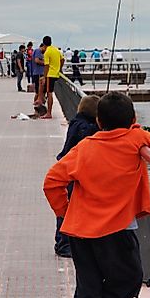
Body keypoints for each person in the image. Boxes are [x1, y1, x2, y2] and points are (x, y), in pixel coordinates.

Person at [43, 92, 150, 298]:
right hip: (118, 229)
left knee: (88, 284)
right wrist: (138, 130)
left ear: (99, 121)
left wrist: (65, 211)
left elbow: (52, 181)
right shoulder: (136, 138)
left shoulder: (84, 147)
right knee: (130, 277)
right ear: (133, 119)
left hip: (80, 230)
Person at [53, 94, 100, 257]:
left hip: (70, 171)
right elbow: (88, 134)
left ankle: (67, 242)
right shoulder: (82, 126)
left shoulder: (77, 122)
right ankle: (63, 244)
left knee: (70, 209)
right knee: (67, 209)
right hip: (70, 174)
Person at [41, 36, 64, 119]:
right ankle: (41, 101)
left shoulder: (47, 52)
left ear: (44, 44)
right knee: (47, 91)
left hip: (50, 75)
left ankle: (49, 113)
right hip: (56, 74)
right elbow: (62, 60)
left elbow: (46, 66)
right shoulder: (56, 50)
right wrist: (59, 68)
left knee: (49, 92)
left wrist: (44, 77)